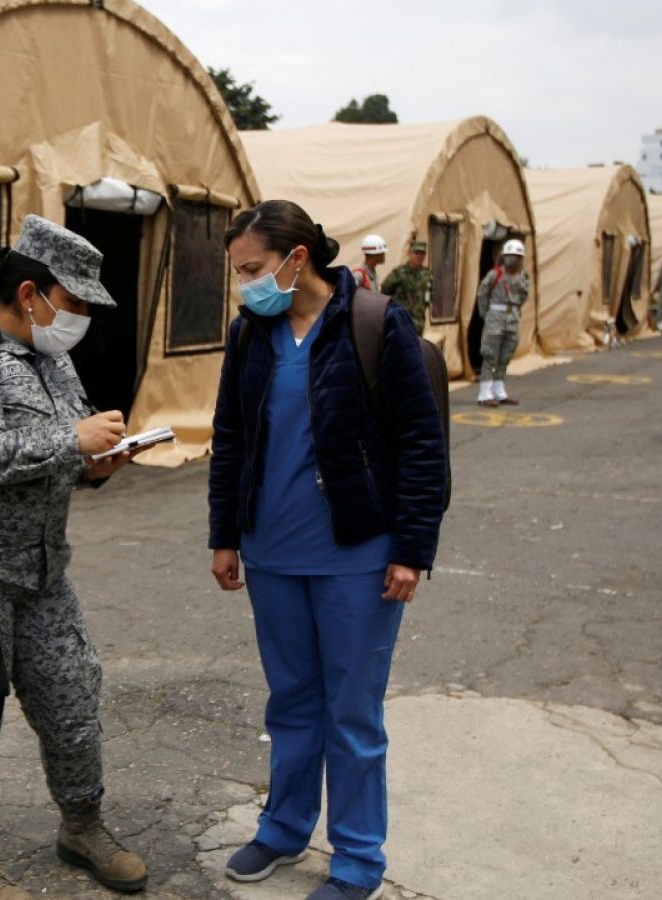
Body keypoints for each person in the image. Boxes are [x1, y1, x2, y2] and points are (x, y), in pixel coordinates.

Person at [0, 214, 150, 899]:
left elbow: (64, 454)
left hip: (41, 572)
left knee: (73, 698)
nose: (82, 319)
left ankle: (82, 825)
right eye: (75, 304)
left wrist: (98, 463)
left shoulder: (53, 359)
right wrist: (73, 441)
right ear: (32, 293)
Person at [208, 200, 446, 900]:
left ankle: (357, 860)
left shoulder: (375, 323)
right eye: (239, 272)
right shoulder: (251, 333)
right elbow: (230, 440)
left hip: (358, 555)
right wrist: (225, 535)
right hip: (273, 553)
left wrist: (411, 549)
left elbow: (421, 446)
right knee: (291, 702)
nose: (245, 283)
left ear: (297, 258)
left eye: (253, 268)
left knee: (351, 712)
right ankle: (283, 829)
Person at [476, 238, 530, 407]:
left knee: (505, 356)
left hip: (512, 318)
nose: (512, 259)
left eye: (516, 256)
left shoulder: (523, 277)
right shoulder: (495, 274)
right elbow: (482, 293)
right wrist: (486, 314)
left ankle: (499, 391)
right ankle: (485, 394)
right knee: (490, 355)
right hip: (495, 317)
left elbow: (523, 297)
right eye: (509, 255)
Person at [381, 239, 432, 334]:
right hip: (401, 320)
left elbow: (429, 295)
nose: (419, 257)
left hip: (419, 322)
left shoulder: (427, 274)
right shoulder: (399, 272)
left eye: (422, 254)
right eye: (416, 253)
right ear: (410, 253)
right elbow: (385, 290)